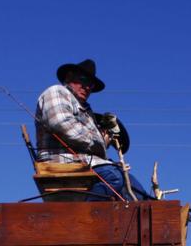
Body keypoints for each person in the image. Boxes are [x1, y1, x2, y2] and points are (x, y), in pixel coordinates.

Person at [35, 59, 152, 201]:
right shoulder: (57, 91)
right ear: (69, 77)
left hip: (83, 164)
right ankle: (82, 216)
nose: (87, 87)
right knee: (113, 176)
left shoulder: (85, 110)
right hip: (62, 163)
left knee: (133, 186)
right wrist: (100, 141)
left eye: (91, 84)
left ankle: (154, 213)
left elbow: (86, 138)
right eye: (83, 80)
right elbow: (62, 124)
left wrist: (102, 143)